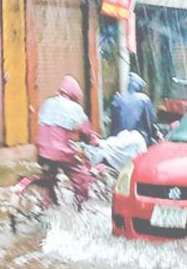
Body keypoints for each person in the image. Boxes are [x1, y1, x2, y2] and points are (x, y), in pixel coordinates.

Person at [36, 75, 99, 206]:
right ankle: (82, 207)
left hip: (41, 150)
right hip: (61, 151)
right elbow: (86, 131)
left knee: (49, 177)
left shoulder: (48, 102)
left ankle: (45, 204)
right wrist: (93, 141)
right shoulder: (74, 108)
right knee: (81, 176)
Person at [110, 73, 158, 146]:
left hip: (117, 140)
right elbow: (149, 124)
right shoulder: (144, 99)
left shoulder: (118, 99)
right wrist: (156, 136)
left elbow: (113, 124)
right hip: (137, 142)